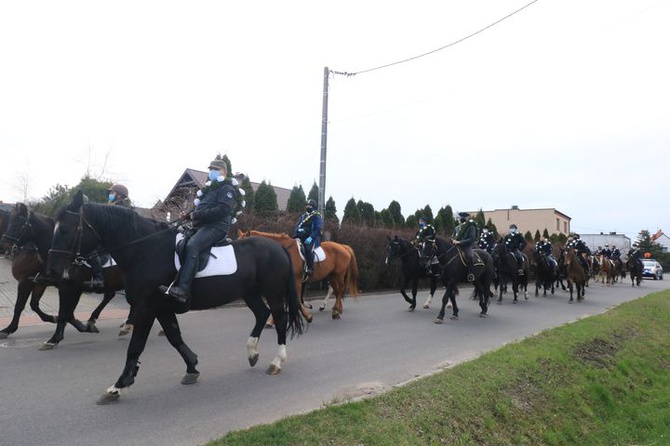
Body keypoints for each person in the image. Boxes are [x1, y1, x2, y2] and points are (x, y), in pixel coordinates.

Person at [159, 159, 239, 303]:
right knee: (181, 242)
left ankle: (182, 290)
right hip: (202, 226)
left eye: (215, 169)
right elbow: (201, 209)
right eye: (211, 169)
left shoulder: (227, 189)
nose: (211, 172)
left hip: (217, 227)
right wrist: (188, 214)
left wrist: (196, 215)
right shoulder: (210, 190)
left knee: (193, 245)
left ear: (224, 172)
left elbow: (223, 210)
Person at [84, 184, 130, 291]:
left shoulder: (119, 209)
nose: (110, 194)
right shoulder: (110, 205)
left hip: (112, 241)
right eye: (110, 193)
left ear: (119, 196)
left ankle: (98, 279)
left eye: (112, 193)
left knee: (92, 253)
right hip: (103, 238)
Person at [293, 199, 323, 277]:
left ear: (313, 207)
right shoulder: (303, 216)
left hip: (311, 238)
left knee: (308, 249)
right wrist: (298, 230)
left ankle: (310, 268)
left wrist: (311, 237)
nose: (308, 206)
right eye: (307, 205)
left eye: (310, 205)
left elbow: (318, 228)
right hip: (300, 237)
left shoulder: (316, 216)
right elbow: (297, 226)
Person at [451, 212, 477, 282]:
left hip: (466, 246)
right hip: (456, 246)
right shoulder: (457, 228)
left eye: (463, 217)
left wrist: (460, 242)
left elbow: (471, 238)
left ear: (467, 218)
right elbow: (453, 236)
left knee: (470, 256)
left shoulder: (471, 227)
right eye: (461, 217)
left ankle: (470, 274)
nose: (461, 218)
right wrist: (452, 240)